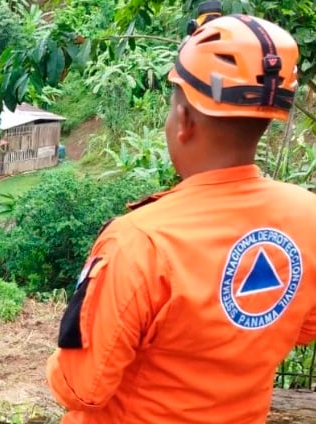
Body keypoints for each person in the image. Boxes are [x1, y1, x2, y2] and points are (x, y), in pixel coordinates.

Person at [46, 14, 316, 424]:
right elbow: (302, 326)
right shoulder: (307, 217)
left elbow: (82, 386)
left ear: (184, 121)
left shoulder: (140, 241)